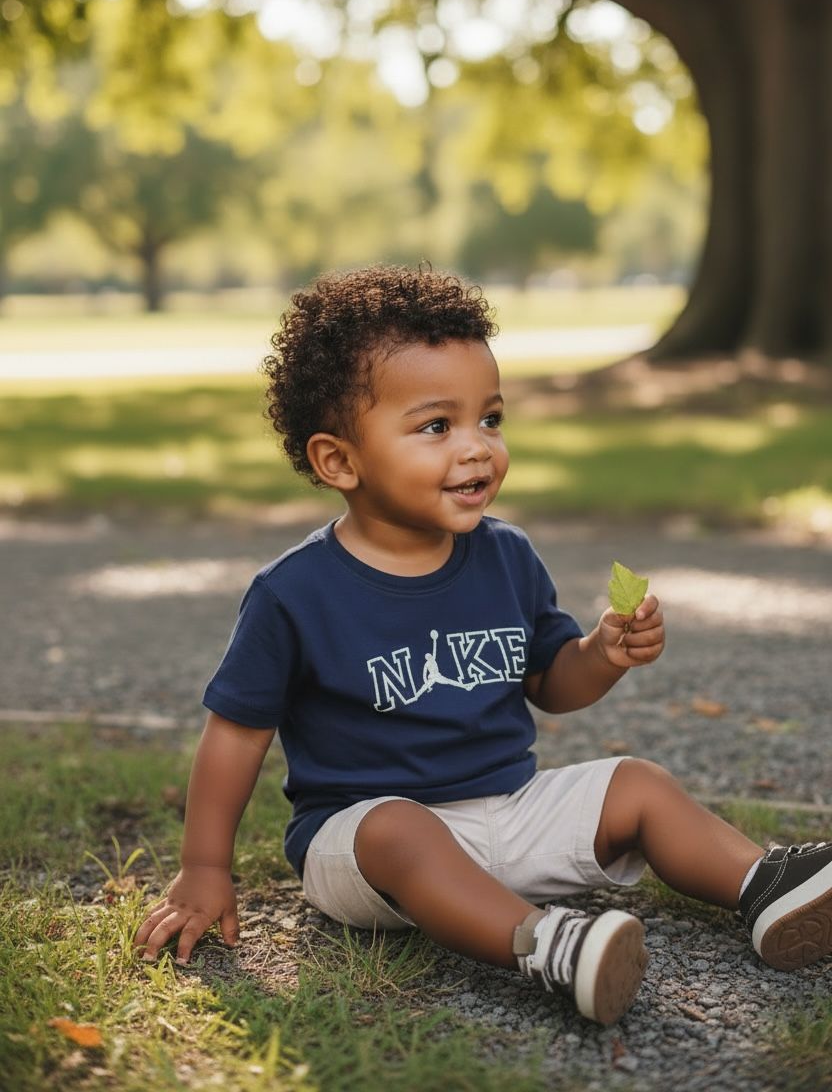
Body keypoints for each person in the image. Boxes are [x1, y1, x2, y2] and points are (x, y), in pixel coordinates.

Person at [135, 266, 832, 1025]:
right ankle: (547, 946)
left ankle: (761, 887)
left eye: (490, 420)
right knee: (403, 829)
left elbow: (550, 682)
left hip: (509, 809)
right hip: (366, 842)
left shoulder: (507, 556)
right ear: (340, 461)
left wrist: (601, 654)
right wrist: (205, 868)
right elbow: (236, 736)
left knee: (638, 782)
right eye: (437, 427)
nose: (476, 450)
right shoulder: (294, 593)